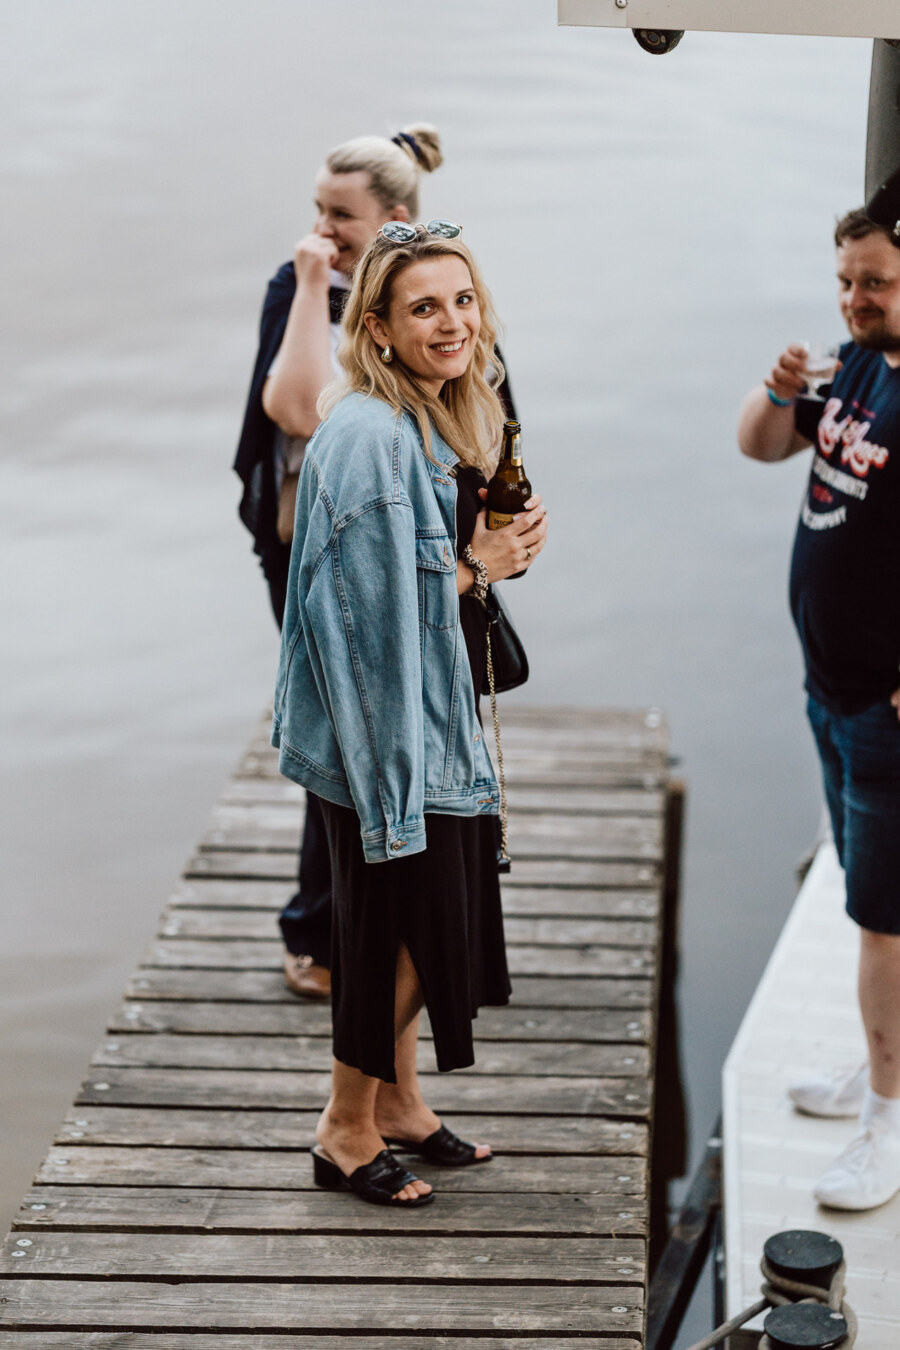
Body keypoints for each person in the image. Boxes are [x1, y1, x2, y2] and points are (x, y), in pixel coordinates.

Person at [271, 221, 548, 1206]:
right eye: (425, 306)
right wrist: (480, 566)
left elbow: (421, 582)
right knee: (413, 932)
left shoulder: (428, 415)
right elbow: (378, 623)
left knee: (413, 930)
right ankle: (344, 1129)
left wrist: (483, 553)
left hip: (422, 723)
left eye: (463, 300)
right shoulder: (377, 439)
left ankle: (399, 1103)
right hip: (387, 737)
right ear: (378, 327)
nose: (454, 322)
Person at [233, 125, 444, 999]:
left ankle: (391, 921)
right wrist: (318, 277)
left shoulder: (424, 293)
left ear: (394, 218)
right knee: (334, 733)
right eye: (318, 209)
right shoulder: (300, 283)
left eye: (341, 216)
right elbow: (297, 409)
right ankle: (317, 929)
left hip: (399, 549)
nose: (321, 226)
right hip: (303, 549)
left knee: (389, 730)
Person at [737, 207, 900, 1211]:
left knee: (885, 921)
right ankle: (881, 1062)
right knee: (866, 900)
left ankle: (888, 1119)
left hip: (884, 715)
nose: (852, 298)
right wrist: (778, 387)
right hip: (829, 689)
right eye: (845, 279)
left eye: (873, 281)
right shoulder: (859, 364)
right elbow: (759, 447)